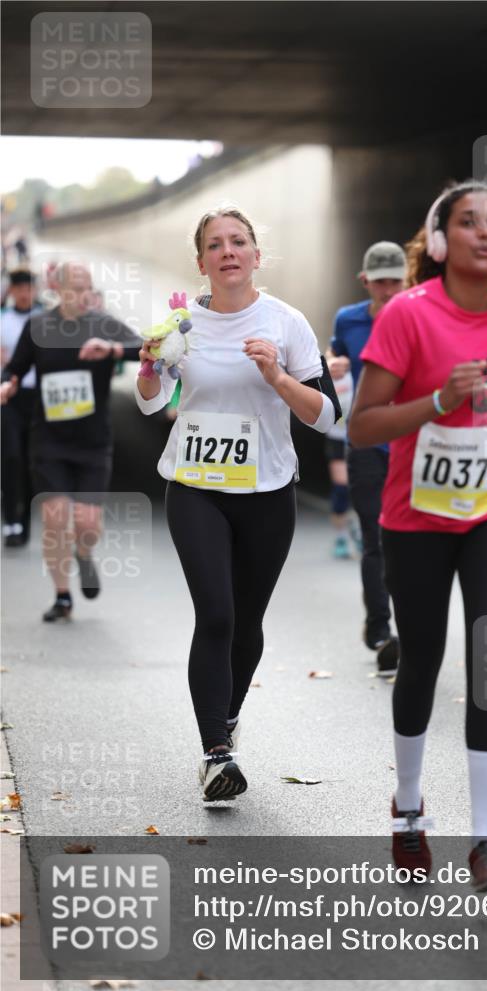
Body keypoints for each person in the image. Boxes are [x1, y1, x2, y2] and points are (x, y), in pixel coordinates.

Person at [348, 180, 487, 888]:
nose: (485, 232)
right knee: (423, 660)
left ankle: (486, 842)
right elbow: (364, 424)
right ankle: (408, 810)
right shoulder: (407, 315)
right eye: (469, 222)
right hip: (416, 517)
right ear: (440, 240)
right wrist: (439, 400)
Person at [134, 206, 339, 804]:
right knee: (217, 615)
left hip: (268, 493)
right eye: (215, 245)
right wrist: (151, 366)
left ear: (256, 255)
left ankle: (224, 720)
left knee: (247, 623)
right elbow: (150, 404)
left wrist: (277, 377)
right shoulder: (180, 323)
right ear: (201, 262)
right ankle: (215, 754)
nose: (228, 251)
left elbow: (326, 416)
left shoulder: (286, 322)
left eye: (239, 241)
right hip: (194, 487)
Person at [0, 262, 141, 620]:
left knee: (87, 524)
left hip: (93, 442)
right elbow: (14, 367)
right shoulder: (38, 326)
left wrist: (109, 350)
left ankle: (84, 552)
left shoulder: (102, 324)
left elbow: (143, 348)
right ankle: (62, 596)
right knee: (55, 517)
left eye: (85, 287)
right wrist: (8, 382)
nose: (80, 294)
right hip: (49, 440)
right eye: (73, 287)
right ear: (57, 289)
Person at [329, 241, 406, 674]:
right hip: (365, 444)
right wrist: (333, 363)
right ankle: (380, 628)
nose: (389, 289)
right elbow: (334, 353)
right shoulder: (350, 319)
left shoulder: (421, 315)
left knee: (412, 543)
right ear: (366, 282)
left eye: (396, 280)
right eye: (381, 283)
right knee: (375, 537)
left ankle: (411, 624)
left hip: (414, 445)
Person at [1, 270, 42, 545]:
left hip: (39, 397)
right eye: (19, 289)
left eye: (28, 288)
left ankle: (24, 521)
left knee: (31, 462)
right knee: (11, 456)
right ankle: (11, 520)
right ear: (13, 291)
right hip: (9, 396)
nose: (25, 293)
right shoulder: (3, 321)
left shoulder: (45, 322)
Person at [324, 368, 358, 558]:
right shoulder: (330, 371)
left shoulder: (361, 369)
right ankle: (341, 536)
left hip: (361, 437)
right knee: (341, 488)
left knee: (364, 488)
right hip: (337, 439)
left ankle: (359, 527)